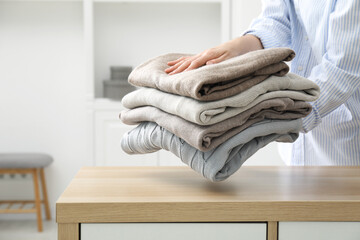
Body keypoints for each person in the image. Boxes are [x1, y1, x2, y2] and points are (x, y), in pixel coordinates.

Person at [165, 0, 360, 165]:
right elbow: (277, 20)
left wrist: (280, 113)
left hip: (344, 148)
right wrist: (238, 47)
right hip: (294, 151)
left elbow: (344, 68)